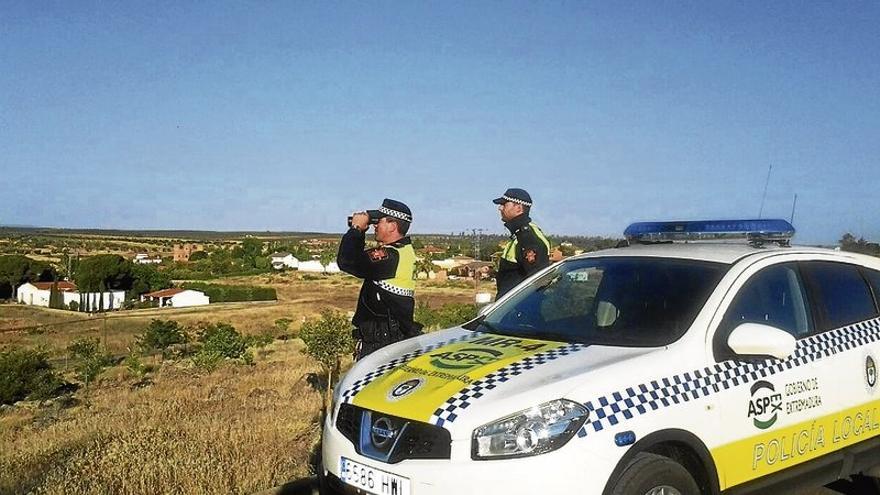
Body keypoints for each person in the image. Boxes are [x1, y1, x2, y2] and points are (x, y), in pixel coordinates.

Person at [337, 198, 422, 360]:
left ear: (392, 226)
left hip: (383, 341)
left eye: (379, 221)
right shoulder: (404, 251)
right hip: (391, 336)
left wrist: (356, 229)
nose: (374, 225)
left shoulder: (391, 256)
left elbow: (347, 261)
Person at [493, 188, 551, 297]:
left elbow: (537, 282)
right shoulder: (518, 235)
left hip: (519, 312)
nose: (500, 208)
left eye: (504, 204)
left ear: (519, 208)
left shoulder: (527, 238)